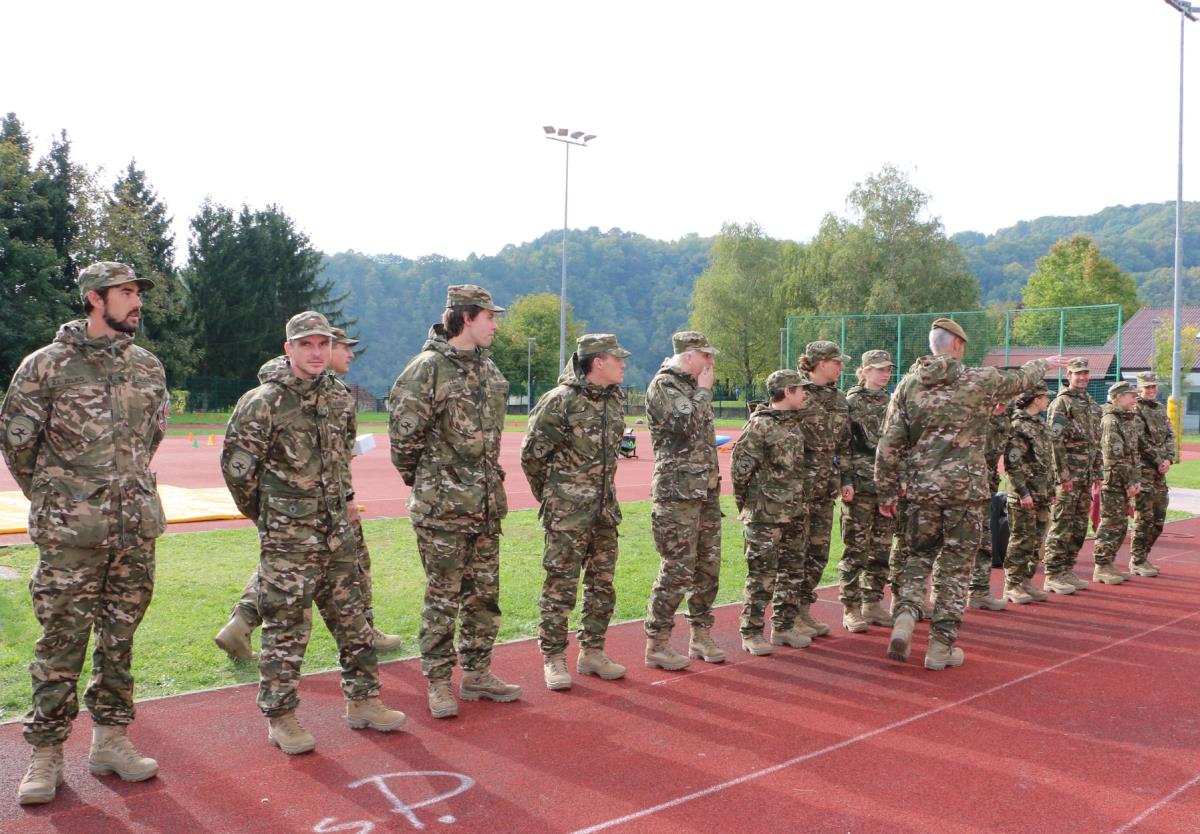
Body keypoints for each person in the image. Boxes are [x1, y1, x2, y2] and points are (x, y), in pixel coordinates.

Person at [2, 262, 166, 804]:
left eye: (137, 293)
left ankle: (111, 741)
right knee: (61, 643)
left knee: (120, 642)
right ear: (95, 298)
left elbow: (150, 439)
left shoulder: (147, 367)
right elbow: (18, 445)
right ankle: (46, 753)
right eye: (126, 293)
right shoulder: (45, 366)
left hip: (133, 531)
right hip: (70, 537)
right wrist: (61, 499)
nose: (136, 302)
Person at [223, 311, 404, 755]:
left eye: (323, 344)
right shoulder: (262, 402)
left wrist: (343, 503)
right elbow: (238, 472)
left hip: (337, 532)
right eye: (306, 344)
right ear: (289, 349)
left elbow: (341, 461)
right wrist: (272, 517)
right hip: (289, 539)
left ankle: (364, 701)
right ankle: (281, 717)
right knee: (286, 628)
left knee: (355, 622)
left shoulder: (340, 397)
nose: (317, 353)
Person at [876, 318, 1067, 670]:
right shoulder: (978, 380)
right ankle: (940, 647)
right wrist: (1045, 364)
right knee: (955, 568)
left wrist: (887, 492)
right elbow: (1022, 379)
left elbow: (889, 443)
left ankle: (904, 616)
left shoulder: (907, 385)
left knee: (917, 557)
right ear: (958, 345)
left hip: (920, 491)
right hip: (964, 493)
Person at [388, 285, 521, 717]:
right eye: (490, 317)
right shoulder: (427, 369)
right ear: (466, 317)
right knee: (442, 601)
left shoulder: (488, 370)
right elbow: (403, 441)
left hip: (484, 506)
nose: (495, 325)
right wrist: (431, 483)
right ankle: (438, 682)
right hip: (442, 510)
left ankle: (477, 674)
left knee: (484, 597)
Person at [521, 333, 631, 690]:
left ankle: (592, 652)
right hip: (567, 513)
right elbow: (532, 455)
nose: (623, 364)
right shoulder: (561, 400)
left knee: (602, 586)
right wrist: (555, 496)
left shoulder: (615, 399)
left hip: (604, 511)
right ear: (598, 362)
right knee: (561, 586)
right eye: (617, 359)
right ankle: (554, 657)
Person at [643, 331, 723, 670]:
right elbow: (684, 423)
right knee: (677, 569)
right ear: (690, 356)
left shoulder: (691, 388)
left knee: (708, 566)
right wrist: (703, 391)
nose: (711, 363)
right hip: (676, 494)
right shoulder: (665, 386)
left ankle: (700, 635)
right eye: (706, 356)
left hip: (704, 491)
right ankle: (658, 643)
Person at [731, 369, 813, 655]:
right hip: (765, 516)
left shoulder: (794, 425)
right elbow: (740, 470)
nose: (805, 394)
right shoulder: (760, 425)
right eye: (800, 389)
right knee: (761, 576)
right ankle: (751, 632)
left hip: (794, 512)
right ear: (787, 391)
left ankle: (783, 627)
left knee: (792, 573)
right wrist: (749, 506)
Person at [794, 341, 853, 639]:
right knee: (794, 554)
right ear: (820, 363)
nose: (841, 367)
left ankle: (803, 608)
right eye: (836, 362)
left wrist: (846, 479)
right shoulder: (795, 393)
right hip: (798, 490)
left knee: (818, 554)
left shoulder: (839, 399)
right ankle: (788, 615)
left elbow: (844, 445)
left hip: (826, 489)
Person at [838, 350, 897, 633]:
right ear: (865, 371)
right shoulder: (850, 402)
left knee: (882, 549)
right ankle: (850, 607)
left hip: (885, 487)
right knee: (856, 550)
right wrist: (845, 479)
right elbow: (843, 446)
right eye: (879, 369)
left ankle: (872, 603)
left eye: (888, 369)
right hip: (860, 486)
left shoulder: (891, 402)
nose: (885, 374)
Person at [1043, 358, 1101, 593]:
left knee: (1078, 526)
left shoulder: (1090, 404)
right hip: (1068, 477)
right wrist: (1063, 476)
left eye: (1085, 373)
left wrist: (1097, 472)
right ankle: (1052, 574)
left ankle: (1067, 569)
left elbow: (1096, 441)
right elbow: (1054, 441)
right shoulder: (1062, 403)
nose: (1083, 377)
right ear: (1069, 375)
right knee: (1061, 525)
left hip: (1085, 476)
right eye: (1078, 374)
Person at [1002, 383, 1056, 603]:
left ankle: (1026, 580)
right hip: (1025, 494)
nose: (1048, 400)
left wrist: (1050, 489)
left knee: (1036, 540)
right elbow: (1013, 463)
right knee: (1022, 539)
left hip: (1041, 493)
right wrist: (1023, 492)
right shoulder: (1018, 426)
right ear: (1036, 399)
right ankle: (1012, 585)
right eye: (1045, 397)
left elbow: (1046, 461)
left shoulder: (1039, 423)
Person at [1091, 380, 1143, 585]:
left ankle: (1109, 562)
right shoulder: (1111, 421)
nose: (1135, 399)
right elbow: (1114, 458)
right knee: (1111, 524)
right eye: (1132, 395)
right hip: (1113, 481)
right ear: (1119, 397)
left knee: (1120, 524)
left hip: (1123, 480)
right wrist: (1128, 482)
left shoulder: (1125, 419)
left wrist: (1135, 479)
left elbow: (1132, 454)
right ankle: (1101, 565)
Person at [1130, 372, 1174, 577]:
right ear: (1139, 388)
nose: (1151, 390)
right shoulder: (1135, 409)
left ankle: (1144, 556)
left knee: (1158, 518)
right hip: (1144, 470)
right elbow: (1139, 440)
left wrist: (1169, 459)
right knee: (1144, 517)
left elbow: (1169, 435)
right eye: (1147, 387)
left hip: (1160, 472)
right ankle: (1137, 560)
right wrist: (1158, 460)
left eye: (1153, 386)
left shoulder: (1160, 408)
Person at [967, 401, 1010, 610]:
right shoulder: (975, 415)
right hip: (966, 487)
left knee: (985, 540)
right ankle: (941, 595)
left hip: (986, 486)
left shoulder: (1004, 419)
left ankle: (979, 591)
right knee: (954, 542)